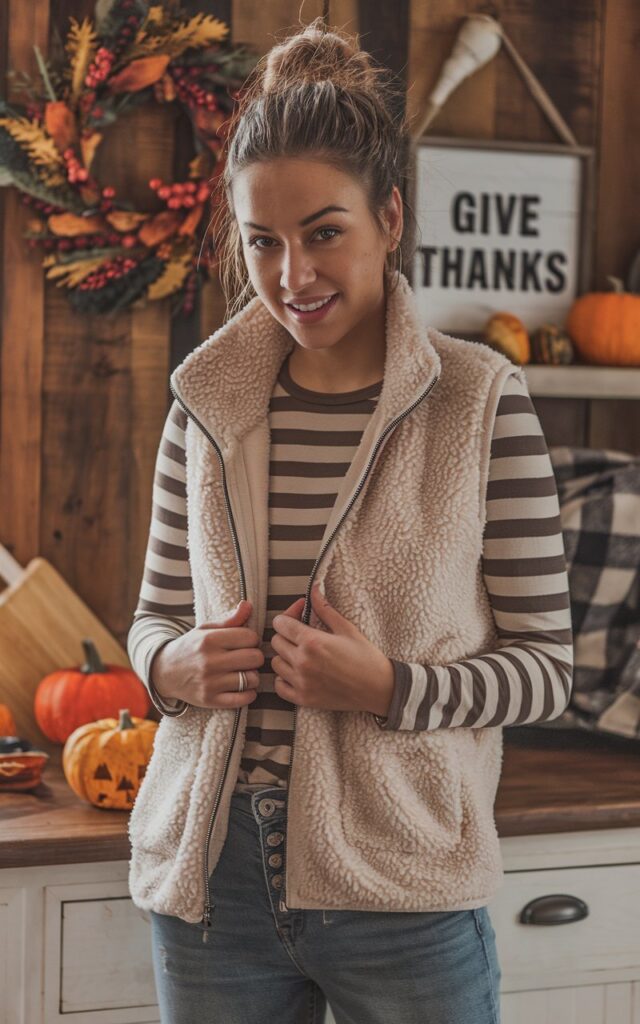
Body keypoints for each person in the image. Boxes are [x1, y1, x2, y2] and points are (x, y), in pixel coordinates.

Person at [126, 18, 574, 1024]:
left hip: (401, 886)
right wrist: (171, 667)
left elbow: (547, 666)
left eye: (323, 232)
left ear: (389, 217)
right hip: (211, 886)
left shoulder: (479, 401)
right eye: (262, 242)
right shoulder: (202, 402)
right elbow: (152, 619)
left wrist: (390, 687)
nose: (292, 277)